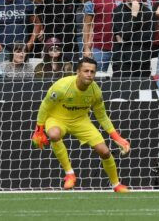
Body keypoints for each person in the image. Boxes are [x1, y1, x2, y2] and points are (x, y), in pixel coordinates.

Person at [31, 57, 131, 192]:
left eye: (92, 72)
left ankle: (116, 184)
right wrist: (39, 130)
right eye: (86, 71)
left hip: (80, 121)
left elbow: (102, 116)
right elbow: (45, 106)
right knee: (54, 134)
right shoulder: (62, 86)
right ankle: (69, 174)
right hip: (57, 118)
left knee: (105, 151)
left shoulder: (96, 92)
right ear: (78, 72)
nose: (89, 74)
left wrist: (117, 138)